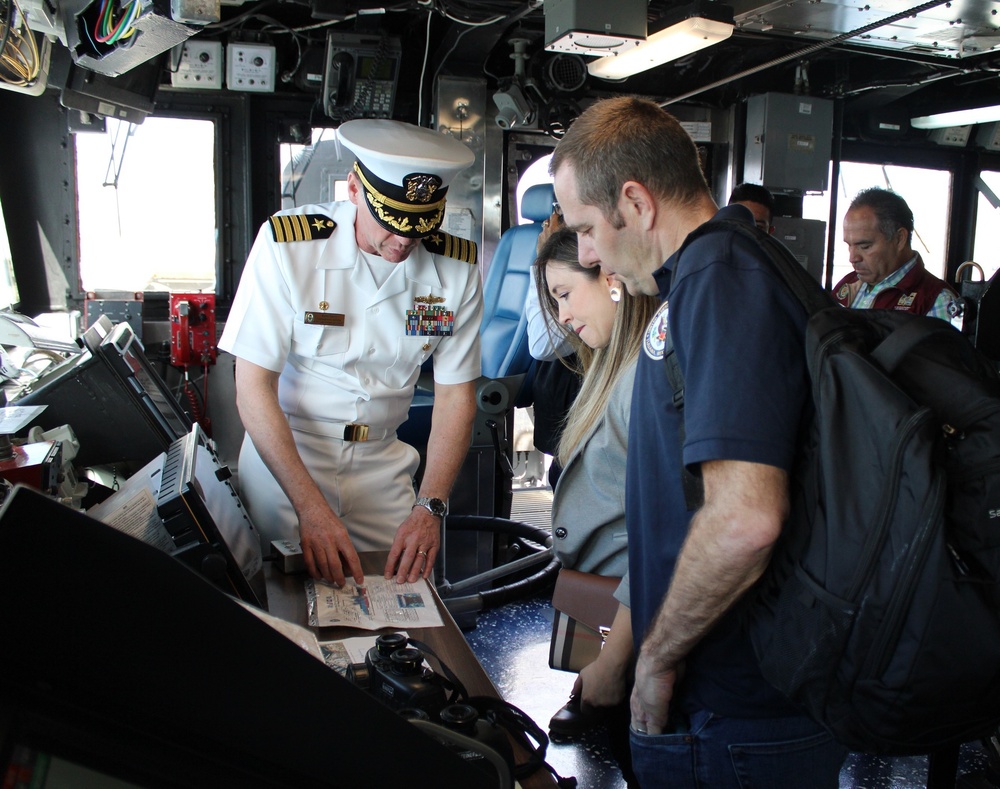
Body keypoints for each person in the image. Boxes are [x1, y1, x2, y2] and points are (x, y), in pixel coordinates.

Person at [551, 95, 848, 788]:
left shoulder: (721, 277)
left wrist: (653, 662)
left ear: (635, 201)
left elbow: (744, 518)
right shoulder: (708, 278)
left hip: (736, 716)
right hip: (725, 706)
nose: (587, 253)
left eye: (587, 229)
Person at [218, 119, 483, 588]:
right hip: (290, 460)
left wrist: (431, 505)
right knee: (283, 609)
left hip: (382, 462)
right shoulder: (290, 246)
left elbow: (456, 396)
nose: (404, 242)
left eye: (419, 229)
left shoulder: (456, 268)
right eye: (393, 222)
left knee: (397, 607)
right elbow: (253, 387)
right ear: (355, 189)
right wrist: (309, 507)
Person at [535, 227, 658, 789]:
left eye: (563, 294)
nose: (561, 316)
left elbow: (659, 535)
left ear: (611, 280)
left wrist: (612, 663)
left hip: (626, 605)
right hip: (591, 584)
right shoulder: (606, 363)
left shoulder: (643, 380)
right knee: (599, 719)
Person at [834, 186, 960, 320]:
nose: (852, 258)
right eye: (849, 246)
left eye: (865, 246)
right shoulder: (847, 284)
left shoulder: (937, 301)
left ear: (899, 239)